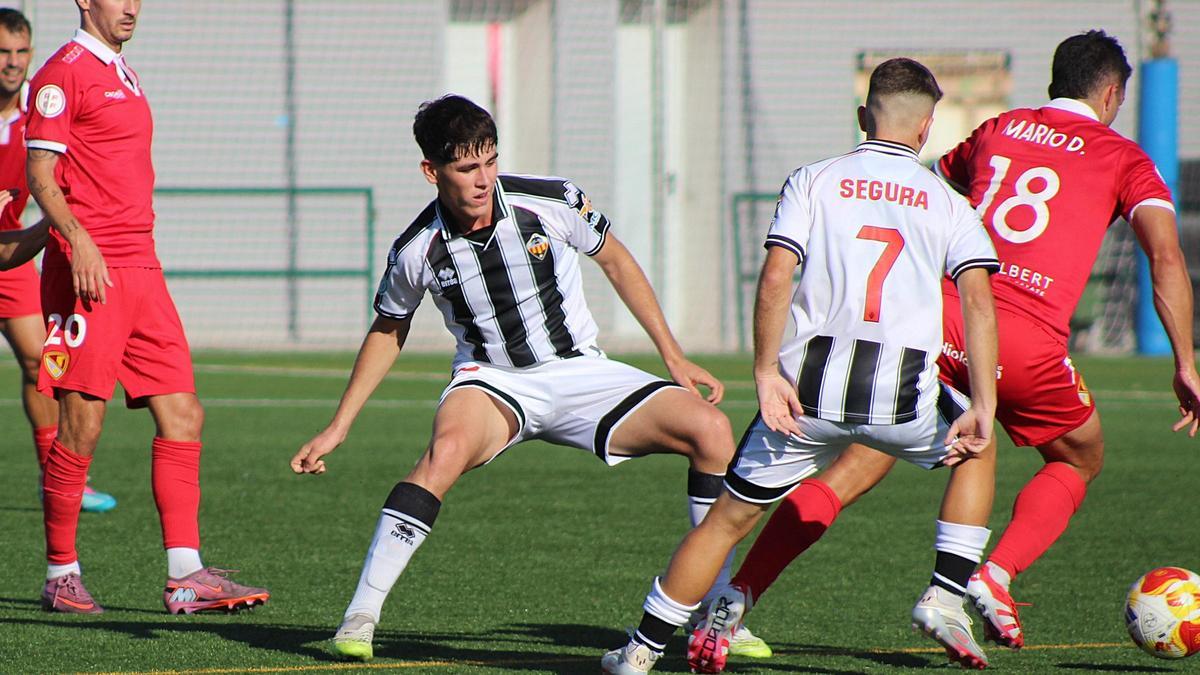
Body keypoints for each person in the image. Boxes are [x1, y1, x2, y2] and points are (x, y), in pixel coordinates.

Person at [719, 29, 1200, 654]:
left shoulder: (998, 130)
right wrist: (1185, 361)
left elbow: (921, 197)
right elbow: (1165, 258)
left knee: (859, 461)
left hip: (933, 321)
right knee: (1078, 457)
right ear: (1111, 95)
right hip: (1016, 337)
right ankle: (984, 579)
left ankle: (737, 596)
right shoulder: (1124, 157)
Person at [290, 93, 770, 662]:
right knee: (444, 454)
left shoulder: (551, 200)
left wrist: (674, 356)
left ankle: (716, 613)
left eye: (490, 160)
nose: (483, 179)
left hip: (582, 373)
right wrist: (339, 425)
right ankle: (359, 617)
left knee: (712, 430)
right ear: (431, 171)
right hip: (493, 383)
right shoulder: (417, 248)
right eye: (466, 167)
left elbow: (616, 261)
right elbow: (388, 328)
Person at [602, 57, 1001, 675]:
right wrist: (983, 404)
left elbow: (776, 275)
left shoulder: (814, 180)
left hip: (803, 400)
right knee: (978, 448)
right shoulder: (950, 205)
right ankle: (946, 594)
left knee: (725, 522)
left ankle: (640, 650)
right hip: (903, 404)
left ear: (863, 117)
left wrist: (765, 372)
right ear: (926, 128)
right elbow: (977, 302)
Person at [28, 0, 268, 615]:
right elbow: (41, 174)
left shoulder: (122, 71)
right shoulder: (63, 72)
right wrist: (76, 239)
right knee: (82, 424)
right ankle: (61, 573)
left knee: (184, 413)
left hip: (143, 267)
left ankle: (185, 577)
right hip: (91, 272)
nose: (132, 6)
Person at [0, 8, 117, 513]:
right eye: (2, 52)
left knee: (39, 363)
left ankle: (58, 477)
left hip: (12, 254)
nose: (12, 62)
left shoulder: (42, 105)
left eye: (20, 51)